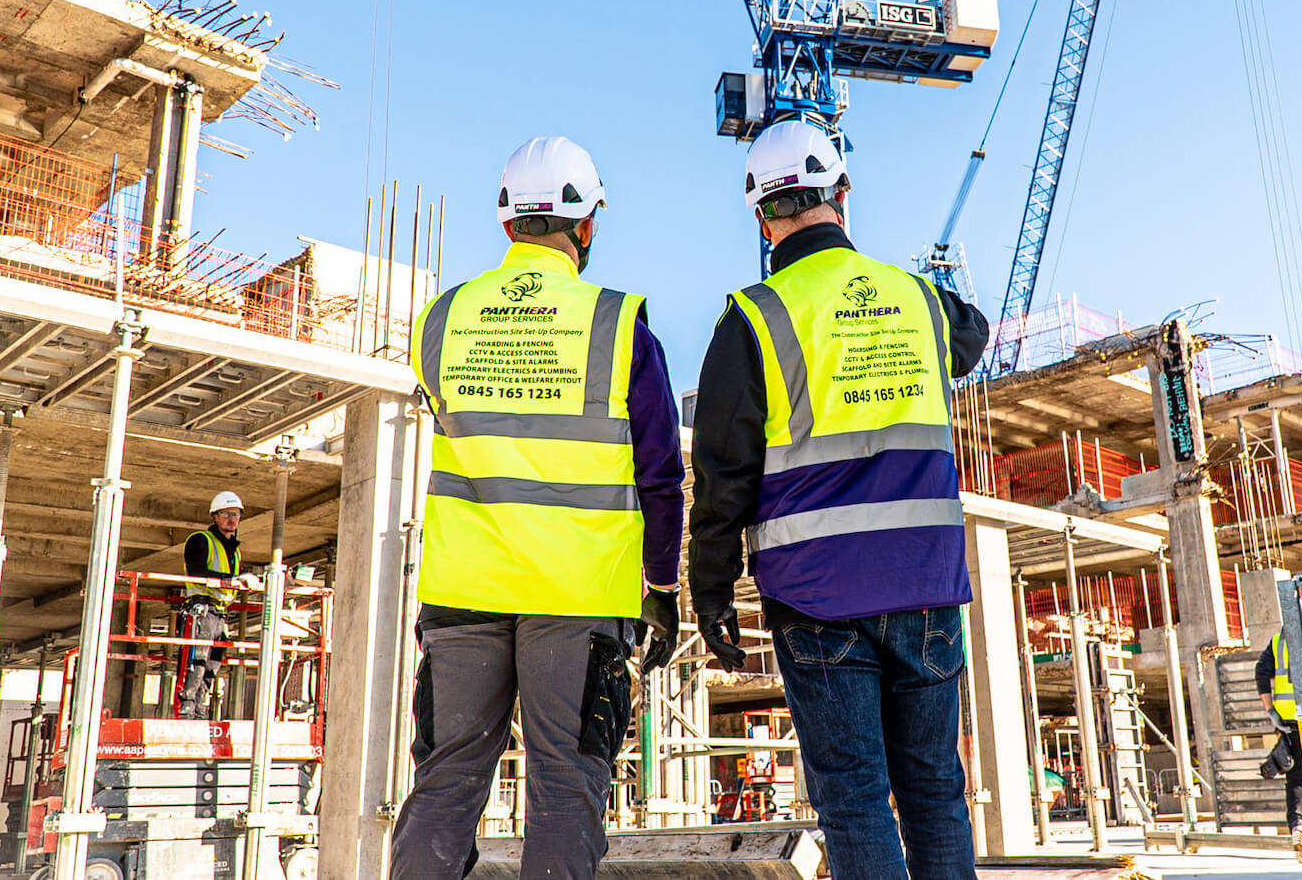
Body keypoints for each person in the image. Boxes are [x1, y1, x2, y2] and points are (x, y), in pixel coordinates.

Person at [687, 120, 990, 880]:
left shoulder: (752, 319)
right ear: (843, 195)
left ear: (762, 216)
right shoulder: (918, 300)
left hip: (816, 598)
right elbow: (974, 333)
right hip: (924, 586)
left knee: (854, 797)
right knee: (935, 791)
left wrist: (712, 592)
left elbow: (723, 476)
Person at [390, 136, 685, 880]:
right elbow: (661, 476)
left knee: (446, 782)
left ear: (505, 223)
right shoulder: (621, 328)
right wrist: (663, 587)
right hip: (577, 598)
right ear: (586, 225)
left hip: (463, 593)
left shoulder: (442, 319)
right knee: (564, 787)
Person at [177, 491, 259, 719]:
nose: (232, 519)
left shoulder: (234, 549)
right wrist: (232, 580)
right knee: (198, 660)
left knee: (212, 664)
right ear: (215, 516)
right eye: (226, 514)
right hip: (201, 609)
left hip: (220, 612)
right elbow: (196, 571)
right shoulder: (200, 539)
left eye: (236, 514)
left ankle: (200, 709)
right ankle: (187, 708)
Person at [1257, 630, 1302, 864]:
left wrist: (1271, 711)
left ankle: (1299, 825)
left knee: (1298, 780)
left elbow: (1261, 672)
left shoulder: (1277, 641)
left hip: (1290, 721)